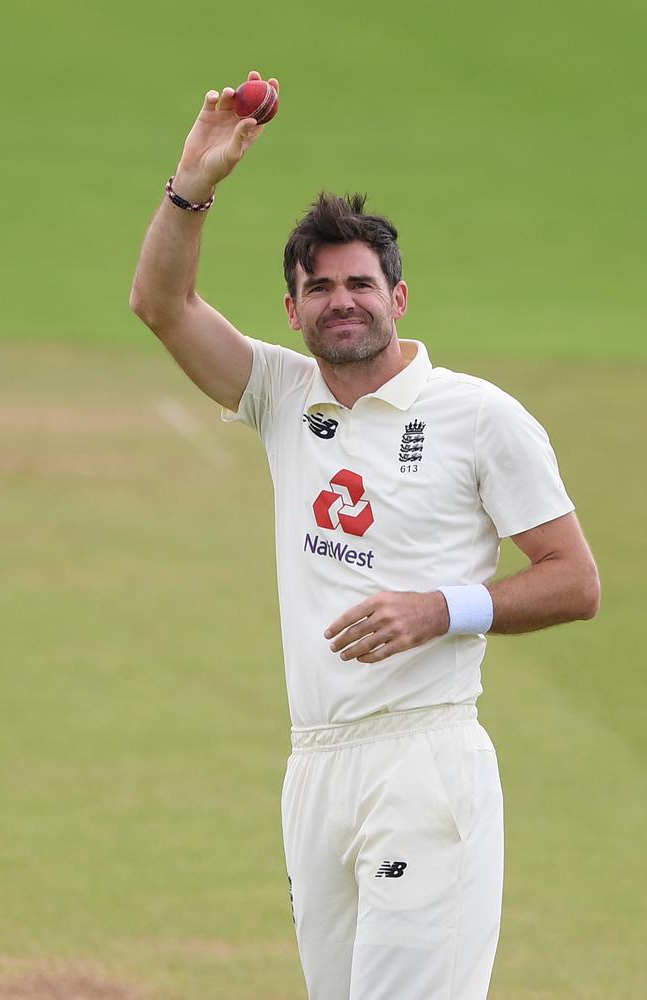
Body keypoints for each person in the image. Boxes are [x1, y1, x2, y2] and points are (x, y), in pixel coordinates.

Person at [130, 71, 601, 1000]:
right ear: (292, 310)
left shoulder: (479, 416)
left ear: (399, 297)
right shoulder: (279, 393)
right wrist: (193, 183)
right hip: (316, 766)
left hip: (425, 757)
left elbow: (575, 579)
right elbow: (163, 306)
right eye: (319, 289)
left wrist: (442, 609)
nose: (342, 301)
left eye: (360, 284)